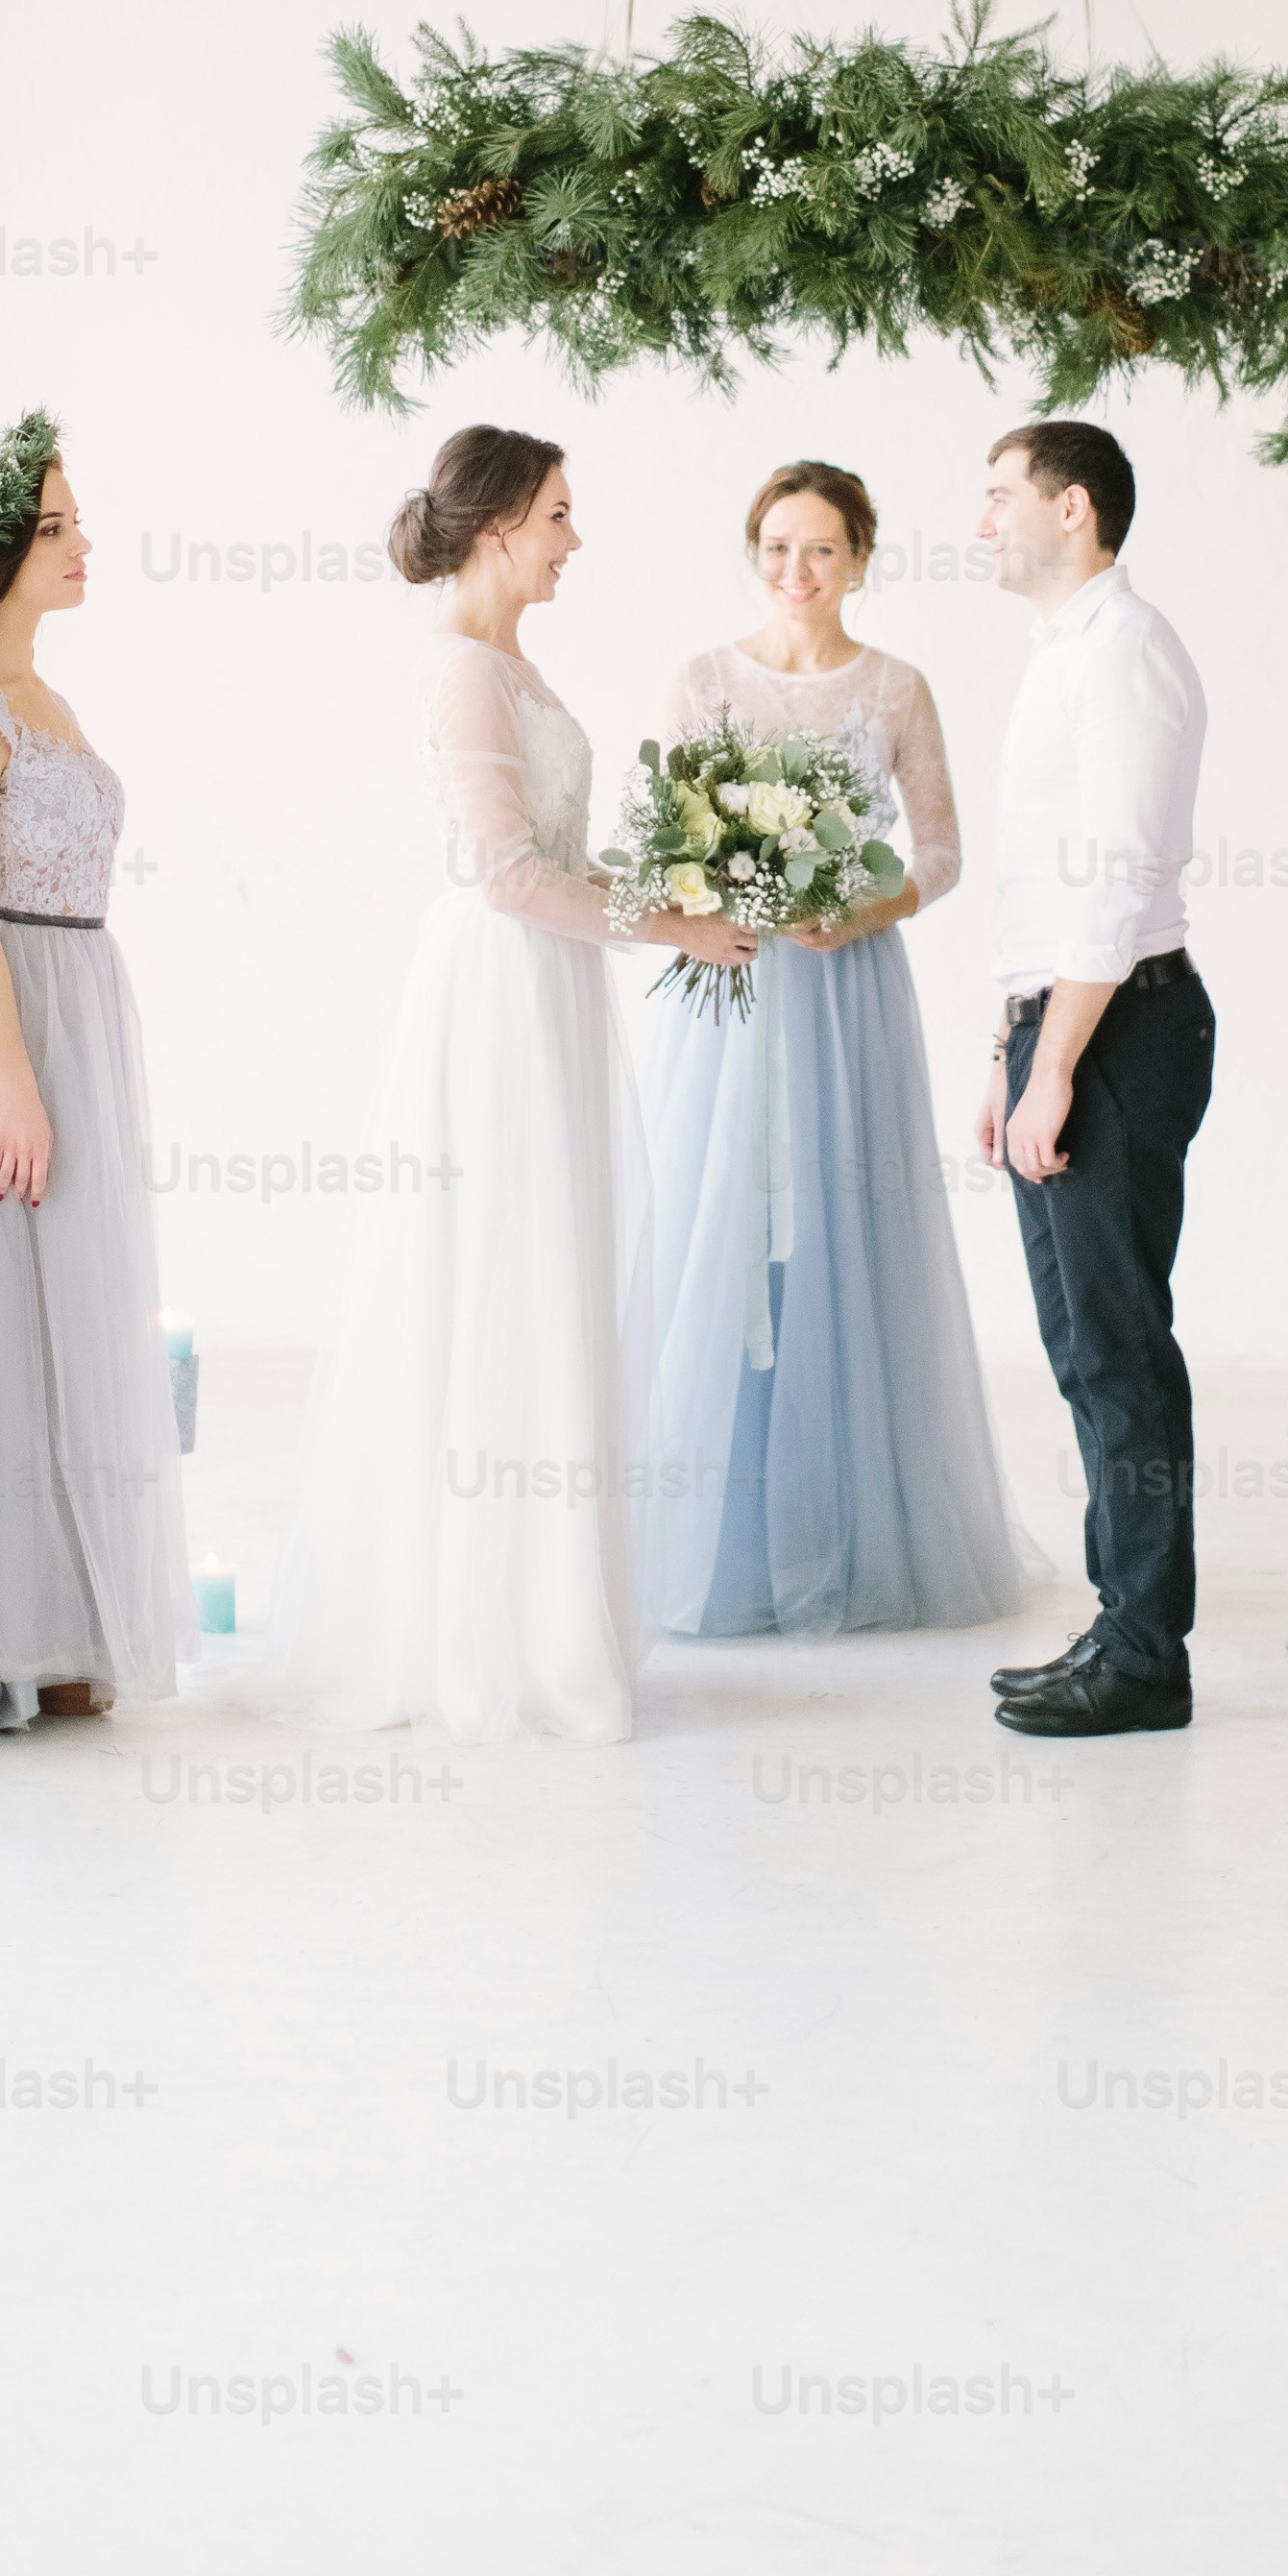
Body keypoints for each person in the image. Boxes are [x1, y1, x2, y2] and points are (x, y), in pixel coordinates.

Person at [260, 427, 753, 1743]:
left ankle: (550, 1607)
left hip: (554, 990)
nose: (573, 539)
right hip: (501, 991)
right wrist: (676, 924)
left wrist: (670, 893)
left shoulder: (513, 666)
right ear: (492, 530)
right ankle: (483, 1629)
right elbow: (508, 875)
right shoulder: (466, 676)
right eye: (557, 515)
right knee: (498, 1271)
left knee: (554, 1267)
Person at [642, 458, 1026, 1639]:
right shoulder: (702, 679)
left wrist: (851, 911)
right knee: (721, 1227)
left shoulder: (896, 689)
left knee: (846, 1231)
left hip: (846, 988)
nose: (794, 572)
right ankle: (713, 1541)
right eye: (774, 548)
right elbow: (666, 851)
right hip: (732, 991)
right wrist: (734, 892)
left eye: (818, 549)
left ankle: (858, 1530)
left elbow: (945, 853)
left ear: (858, 558)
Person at [0, 412, 192, 1730]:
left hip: (80, 997)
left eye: (75, 522)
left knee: (75, 1314)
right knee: (1, 1316)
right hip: (7, 1012)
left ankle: (67, 1612)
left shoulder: (47, 696)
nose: (79, 545)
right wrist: (16, 1082)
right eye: (52, 527)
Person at [975, 422, 1213, 1737]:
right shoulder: (1062, 651)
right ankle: (1123, 1619)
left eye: (1000, 495)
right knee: (1084, 1349)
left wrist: (1054, 1063)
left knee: (1118, 1348)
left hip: (1119, 1028)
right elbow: (1040, 883)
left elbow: (1118, 882)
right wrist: (1003, 1057)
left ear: (1074, 510)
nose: (983, 520)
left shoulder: (1126, 651)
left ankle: (1146, 1653)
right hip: (1059, 1027)